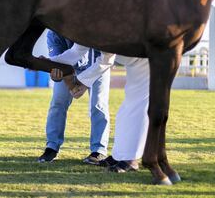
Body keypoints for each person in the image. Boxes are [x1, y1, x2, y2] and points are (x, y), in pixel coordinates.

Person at [49, 44, 150, 172]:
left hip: (146, 58)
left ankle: (133, 159)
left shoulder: (102, 27)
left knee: (136, 106)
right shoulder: (85, 29)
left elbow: (106, 60)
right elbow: (77, 51)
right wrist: (44, 62)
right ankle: (120, 155)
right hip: (133, 60)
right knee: (124, 111)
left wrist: (82, 82)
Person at [37, 30, 111, 165]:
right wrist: (70, 85)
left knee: (98, 105)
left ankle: (98, 150)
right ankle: (51, 147)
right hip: (68, 68)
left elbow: (104, 60)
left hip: (98, 65)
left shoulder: (91, 27)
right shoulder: (53, 33)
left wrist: (82, 83)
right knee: (58, 103)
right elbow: (59, 64)